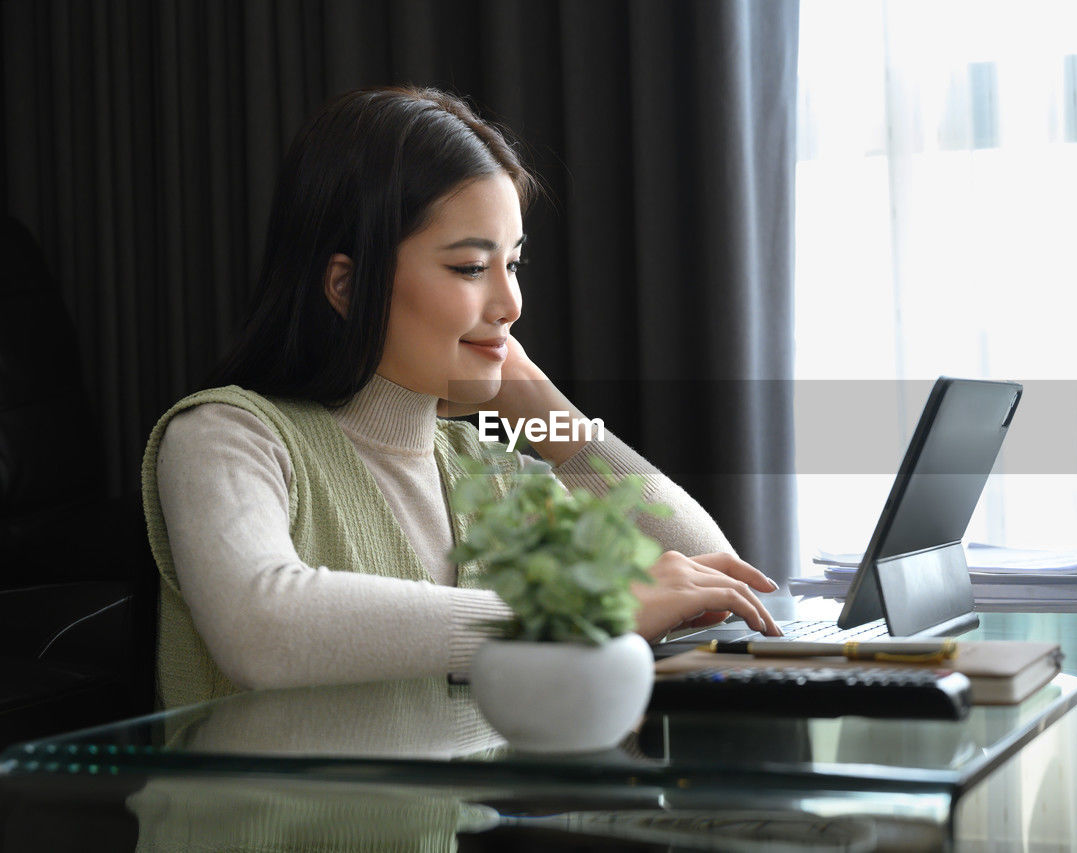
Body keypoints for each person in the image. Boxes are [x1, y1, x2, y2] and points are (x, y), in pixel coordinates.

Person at [141, 85, 780, 710]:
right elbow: (264, 630)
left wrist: (533, 400)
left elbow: (704, 572)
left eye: (514, 265)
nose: (511, 304)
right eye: (472, 268)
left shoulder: (483, 468)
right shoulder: (224, 436)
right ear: (347, 285)